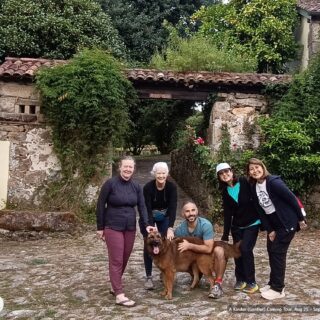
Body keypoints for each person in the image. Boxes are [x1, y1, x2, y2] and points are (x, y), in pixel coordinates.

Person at [96, 156, 154, 307]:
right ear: (119, 167)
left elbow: (142, 207)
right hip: (112, 226)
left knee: (125, 257)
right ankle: (119, 294)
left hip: (130, 227)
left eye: (131, 167)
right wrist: (100, 227)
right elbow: (101, 205)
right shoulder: (110, 184)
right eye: (125, 166)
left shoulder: (136, 186)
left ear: (133, 169)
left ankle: (114, 285)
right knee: (116, 260)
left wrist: (147, 224)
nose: (128, 169)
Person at [246, 158, 307, 300]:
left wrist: (300, 218)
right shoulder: (254, 187)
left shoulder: (273, 182)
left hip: (287, 221)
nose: (255, 171)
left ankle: (278, 289)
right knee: (271, 250)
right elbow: (261, 211)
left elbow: (292, 198)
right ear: (249, 173)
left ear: (263, 167)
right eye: (251, 169)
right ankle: (273, 282)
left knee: (278, 252)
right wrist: (270, 230)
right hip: (273, 223)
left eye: (257, 167)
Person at [216, 162, 261, 294]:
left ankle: (251, 281)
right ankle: (240, 279)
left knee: (246, 249)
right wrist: (225, 234)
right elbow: (228, 214)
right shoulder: (225, 191)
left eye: (226, 171)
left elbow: (257, 200)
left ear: (231, 171)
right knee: (237, 252)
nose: (225, 174)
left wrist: (265, 223)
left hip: (252, 223)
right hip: (237, 226)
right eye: (221, 173)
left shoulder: (244, 181)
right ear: (219, 177)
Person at [174, 201, 226, 299]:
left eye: (193, 210)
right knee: (183, 257)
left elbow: (208, 248)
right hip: (195, 256)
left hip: (208, 253)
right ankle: (196, 277)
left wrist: (189, 246)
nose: (191, 213)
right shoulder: (180, 230)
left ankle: (217, 284)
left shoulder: (205, 225)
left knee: (219, 251)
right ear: (183, 214)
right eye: (187, 211)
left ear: (197, 211)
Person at [140, 162, 177, 290]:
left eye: (163, 173)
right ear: (154, 174)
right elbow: (147, 209)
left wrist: (170, 228)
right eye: (158, 173)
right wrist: (150, 226)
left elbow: (173, 208)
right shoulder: (148, 188)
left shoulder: (172, 187)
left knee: (166, 242)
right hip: (149, 218)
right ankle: (149, 276)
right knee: (149, 242)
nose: (161, 175)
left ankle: (164, 271)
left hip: (164, 216)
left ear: (167, 174)